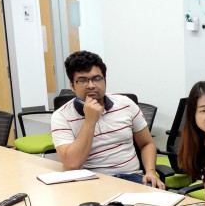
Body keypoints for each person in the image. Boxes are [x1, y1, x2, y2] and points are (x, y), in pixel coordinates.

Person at [50, 50, 165, 188]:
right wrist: (90, 121)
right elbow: (72, 164)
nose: (91, 85)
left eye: (97, 78)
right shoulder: (61, 116)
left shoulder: (126, 104)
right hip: (90, 183)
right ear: (72, 85)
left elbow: (147, 144)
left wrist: (150, 172)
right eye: (83, 80)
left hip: (132, 178)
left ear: (105, 80)